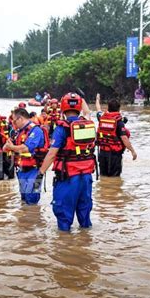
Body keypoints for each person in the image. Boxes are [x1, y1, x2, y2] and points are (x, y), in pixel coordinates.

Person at [40, 92, 97, 231]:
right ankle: (86, 242)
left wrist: (41, 172)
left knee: (64, 215)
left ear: (63, 107)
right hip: (86, 176)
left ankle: (65, 246)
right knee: (85, 213)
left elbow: (52, 154)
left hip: (68, 177)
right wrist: (80, 99)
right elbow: (88, 111)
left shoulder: (62, 128)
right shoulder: (87, 123)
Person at [3, 108, 48, 205]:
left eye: (14, 121)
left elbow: (26, 148)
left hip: (35, 171)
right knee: (24, 199)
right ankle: (24, 219)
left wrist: (11, 147)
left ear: (20, 119)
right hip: (21, 170)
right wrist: (8, 146)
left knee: (32, 200)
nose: (13, 123)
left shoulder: (36, 130)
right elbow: (5, 148)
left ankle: (34, 218)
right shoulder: (17, 132)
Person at [95, 94, 137, 177]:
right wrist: (132, 151)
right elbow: (124, 138)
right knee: (115, 178)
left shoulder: (101, 117)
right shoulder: (119, 122)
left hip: (102, 154)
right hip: (114, 155)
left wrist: (97, 99)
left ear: (108, 108)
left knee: (103, 177)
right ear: (118, 109)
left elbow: (98, 108)